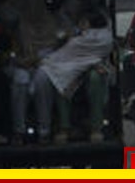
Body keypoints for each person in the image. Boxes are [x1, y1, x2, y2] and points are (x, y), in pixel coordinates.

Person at [0, 0, 66, 145]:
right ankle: (18, 131)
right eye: (29, 1)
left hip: (46, 65)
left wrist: (39, 59)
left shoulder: (55, 20)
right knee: (21, 79)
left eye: (37, 1)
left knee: (42, 79)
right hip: (20, 63)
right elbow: (4, 12)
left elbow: (63, 44)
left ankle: (45, 130)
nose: (33, 5)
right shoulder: (18, 21)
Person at [41, 9, 115, 143]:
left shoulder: (103, 37)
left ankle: (96, 128)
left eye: (83, 22)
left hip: (96, 69)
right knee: (61, 79)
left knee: (95, 78)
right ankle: (64, 127)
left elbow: (97, 54)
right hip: (72, 69)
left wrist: (92, 63)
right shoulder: (76, 36)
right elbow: (66, 55)